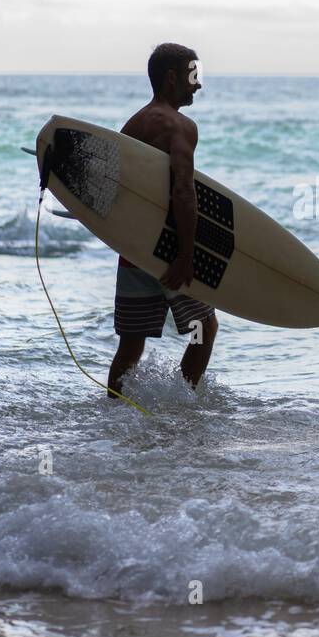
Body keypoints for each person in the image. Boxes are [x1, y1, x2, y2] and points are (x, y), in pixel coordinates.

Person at [107, 43, 219, 394]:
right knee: (205, 327)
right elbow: (183, 192)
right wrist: (185, 255)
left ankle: (113, 407)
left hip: (136, 250)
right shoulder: (180, 126)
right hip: (170, 250)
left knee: (131, 343)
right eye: (192, 76)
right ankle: (184, 405)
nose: (198, 85)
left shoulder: (133, 124)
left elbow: (122, 194)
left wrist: (128, 244)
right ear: (172, 78)